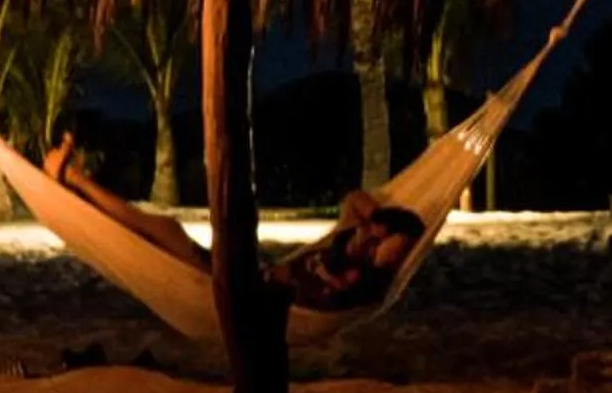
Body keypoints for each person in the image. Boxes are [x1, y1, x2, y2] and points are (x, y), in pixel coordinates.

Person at [42, 134, 425, 314]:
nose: (360, 233)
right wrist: (376, 223)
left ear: (379, 253)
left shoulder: (357, 279)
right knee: (160, 231)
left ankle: (75, 180)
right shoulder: (340, 243)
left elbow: (365, 280)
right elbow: (354, 199)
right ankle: (75, 183)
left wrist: (387, 242)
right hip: (244, 277)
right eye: (365, 229)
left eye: (371, 240)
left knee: (160, 233)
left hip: (245, 296)